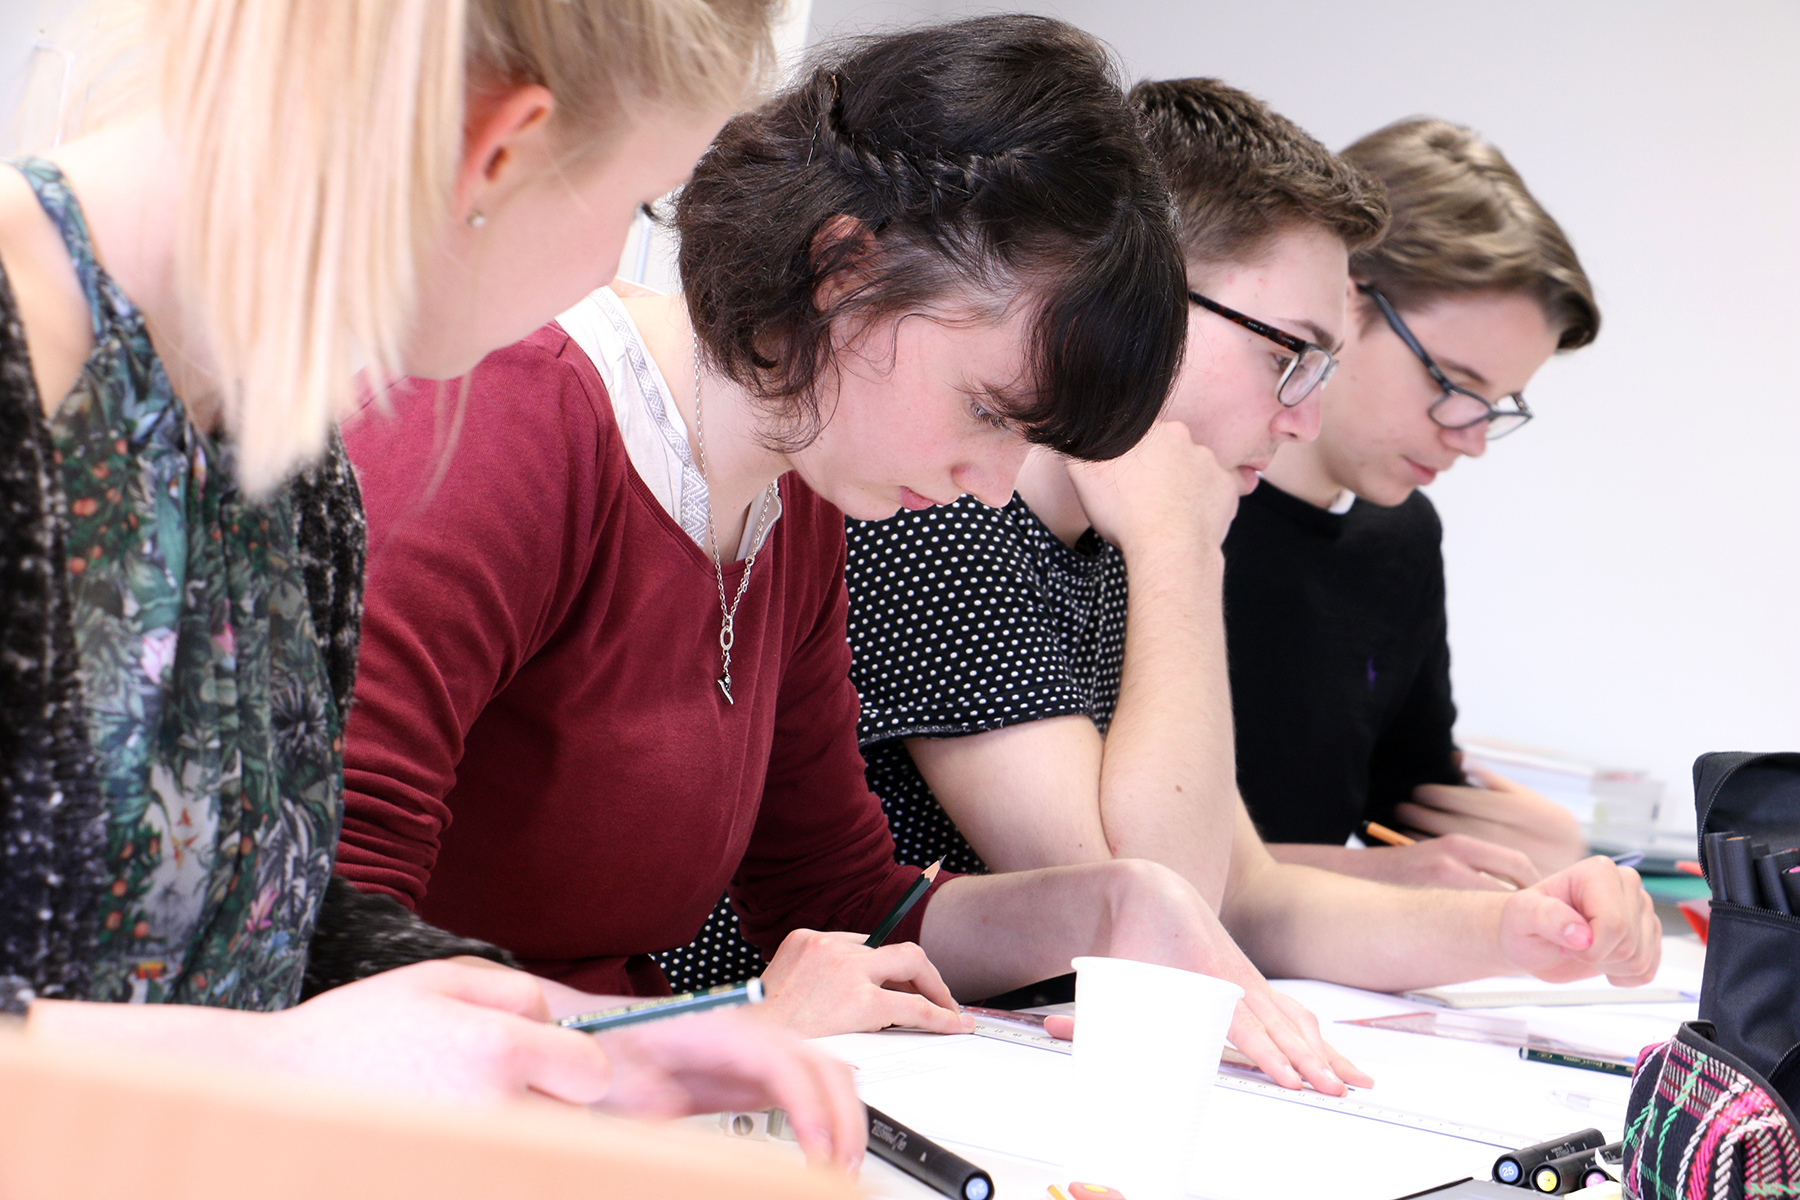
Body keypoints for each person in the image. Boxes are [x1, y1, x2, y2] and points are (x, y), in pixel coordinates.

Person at [336, 17, 1367, 1095]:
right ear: (842, 269)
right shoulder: (516, 423)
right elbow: (338, 933)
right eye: (987, 410)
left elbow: (831, 892)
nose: (996, 480)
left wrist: (1112, 902)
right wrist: (735, 1019)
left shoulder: (798, 495)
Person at [0, 0, 867, 1166]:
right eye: (633, 202)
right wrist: (280, 1066)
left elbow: (267, 927)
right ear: (497, 150)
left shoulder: (289, 464)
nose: (619, 259)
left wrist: (594, 1046)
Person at [842, 78, 1659, 1038]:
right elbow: (1155, 912)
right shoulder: (940, 518)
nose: (1304, 416)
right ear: (1139, 300)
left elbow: (1248, 897)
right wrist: (1180, 552)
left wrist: (1517, 930)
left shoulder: (1098, 543)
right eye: (1288, 355)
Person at [1229, 118, 1596, 889]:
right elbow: (1107, 855)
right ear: (1337, 296)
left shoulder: (1397, 535)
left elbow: (1405, 810)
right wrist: (1385, 879)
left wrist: (1546, 850)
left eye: (1495, 405)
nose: (1470, 439)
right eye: (1451, 384)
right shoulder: (1158, 500)